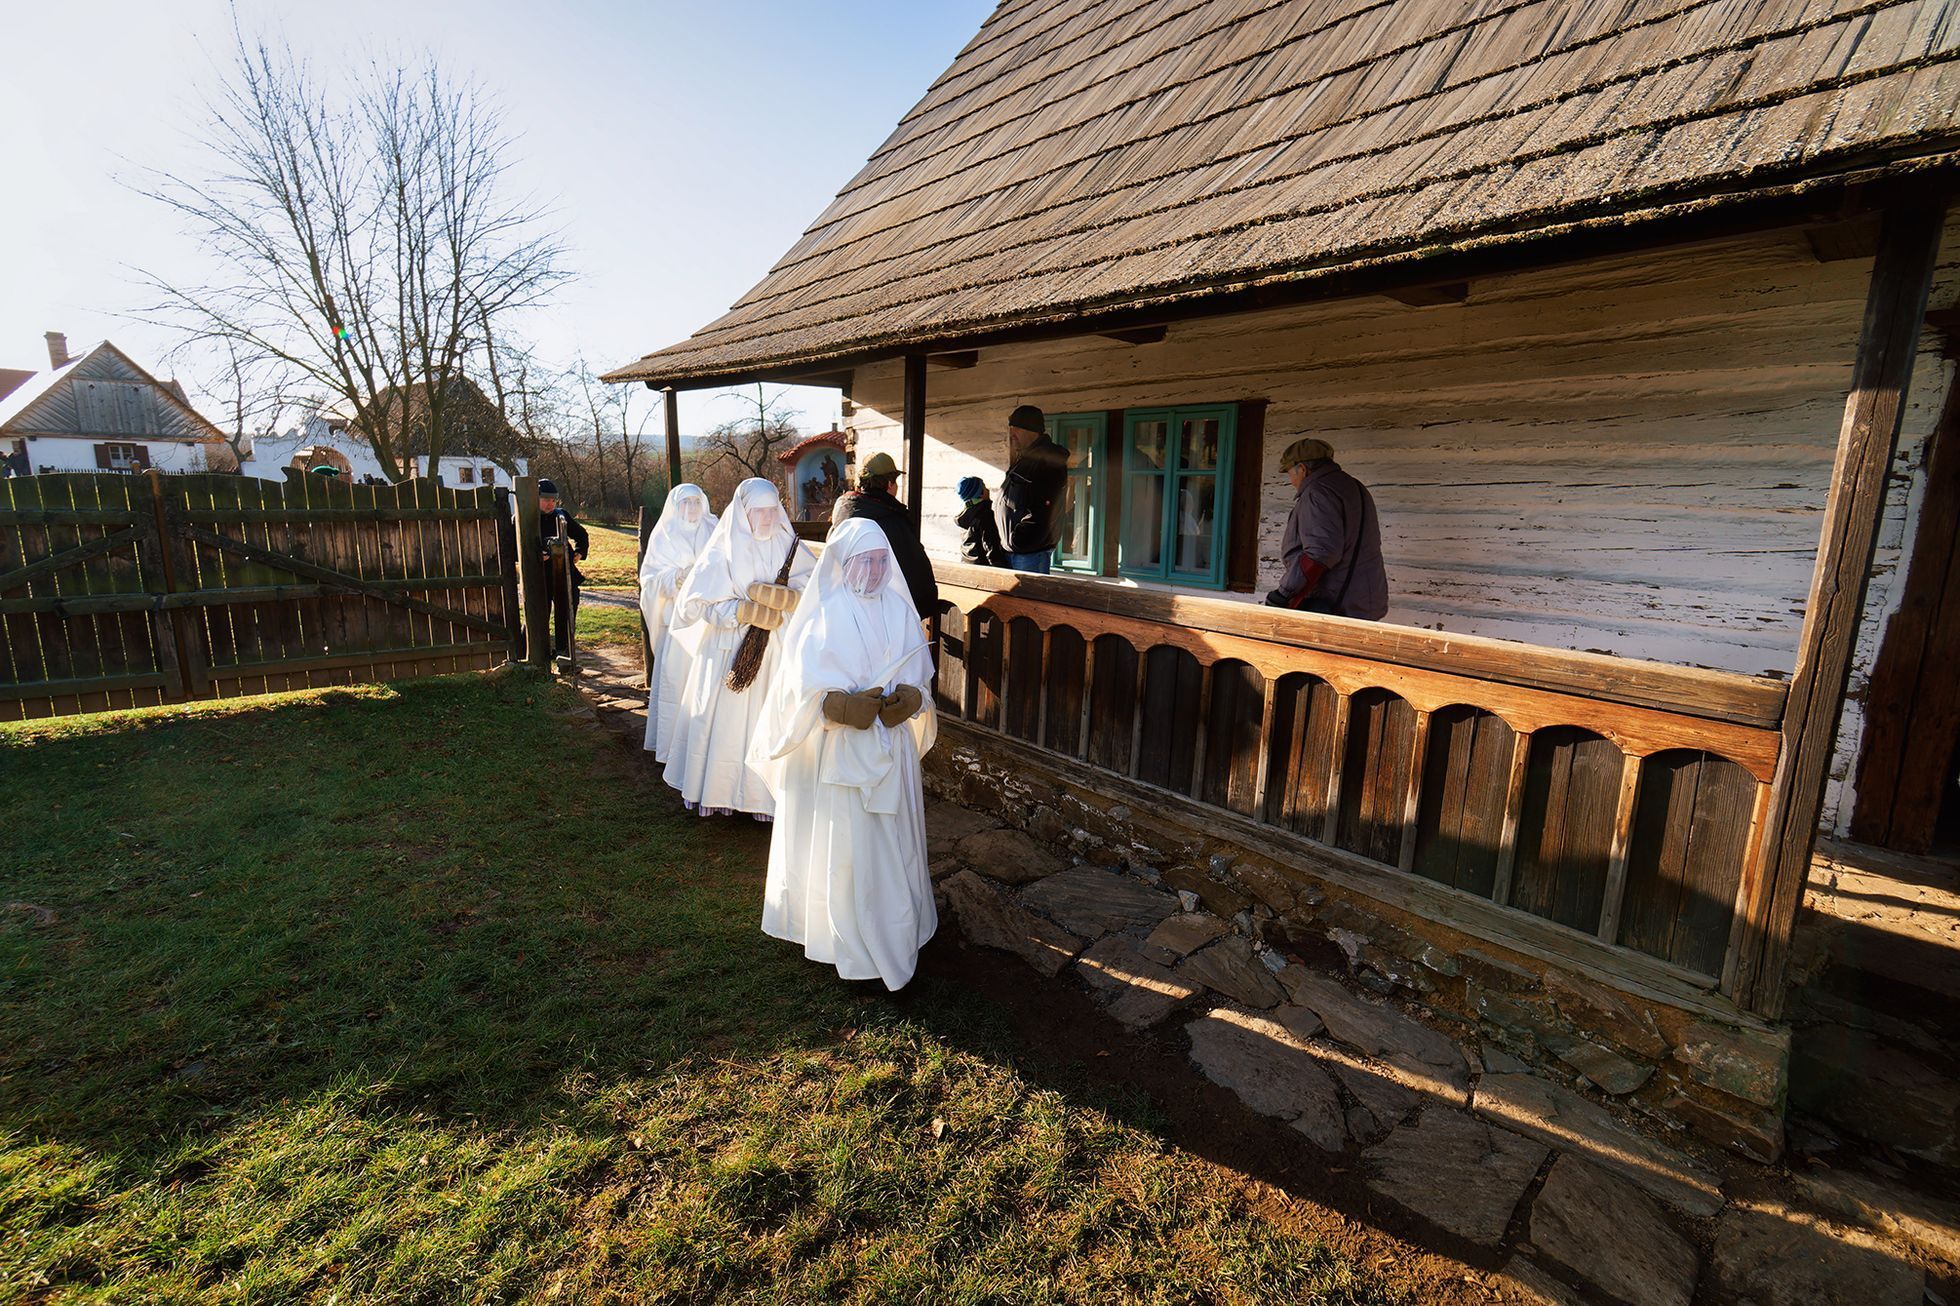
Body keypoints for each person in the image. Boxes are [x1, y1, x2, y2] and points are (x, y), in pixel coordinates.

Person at [751, 518, 937, 990]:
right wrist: (836, 705)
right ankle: (846, 936)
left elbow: (921, 674)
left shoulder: (898, 609)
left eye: (881, 562)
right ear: (843, 563)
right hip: (841, 754)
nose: (874, 571)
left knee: (892, 838)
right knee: (849, 845)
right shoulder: (823, 613)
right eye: (864, 562)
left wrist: (911, 699)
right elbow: (800, 686)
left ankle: (899, 926)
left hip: (889, 749)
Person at [667, 478, 815, 818]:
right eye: (758, 513)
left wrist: (791, 597)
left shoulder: (788, 544)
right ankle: (719, 792)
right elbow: (696, 604)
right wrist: (739, 612)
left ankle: (763, 798)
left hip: (775, 650)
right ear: (743, 513)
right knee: (727, 725)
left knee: (768, 718)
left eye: (771, 511)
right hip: (729, 651)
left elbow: (814, 584)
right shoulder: (723, 549)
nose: (766, 520)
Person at [1264, 437, 1388, 620]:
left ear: (1303, 469)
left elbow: (1320, 553)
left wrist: (1285, 593)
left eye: (1290, 473)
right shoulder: (1354, 486)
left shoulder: (1318, 492)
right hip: (1363, 601)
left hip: (1336, 605)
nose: (1291, 480)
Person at [638, 484, 717, 760]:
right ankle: (672, 746)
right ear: (676, 506)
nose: (692, 508)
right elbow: (649, 580)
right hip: (677, 620)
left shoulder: (714, 528)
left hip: (708, 620)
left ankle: (701, 748)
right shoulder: (665, 535)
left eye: (696, 502)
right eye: (686, 503)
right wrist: (676, 577)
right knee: (676, 681)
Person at [831, 450, 938, 617]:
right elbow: (913, 569)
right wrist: (925, 604)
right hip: (885, 610)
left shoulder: (844, 514)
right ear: (889, 484)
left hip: (846, 606)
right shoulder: (891, 520)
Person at [998, 404, 1070, 573]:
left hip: (1029, 555)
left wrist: (1020, 541)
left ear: (1031, 430)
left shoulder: (1047, 462)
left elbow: (1045, 509)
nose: (1011, 434)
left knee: (1027, 599)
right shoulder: (1027, 460)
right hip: (1019, 553)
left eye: (1016, 429)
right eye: (1010, 428)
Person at [537, 478, 590, 658]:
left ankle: (564, 652)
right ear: (535, 498)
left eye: (553, 500)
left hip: (565, 575)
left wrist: (579, 552)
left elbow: (581, 534)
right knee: (538, 617)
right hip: (539, 578)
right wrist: (534, 556)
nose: (550, 504)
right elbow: (513, 547)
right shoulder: (523, 518)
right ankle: (539, 654)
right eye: (546, 500)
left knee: (566, 614)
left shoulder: (561, 515)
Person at [955, 476, 1006, 567]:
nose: (988, 490)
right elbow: (991, 546)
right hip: (983, 566)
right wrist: (1001, 566)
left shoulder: (965, 515)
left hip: (967, 566)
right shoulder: (984, 514)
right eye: (984, 487)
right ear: (980, 493)